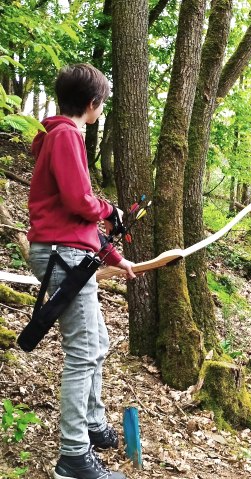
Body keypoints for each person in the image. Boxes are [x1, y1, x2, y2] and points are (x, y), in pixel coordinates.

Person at [27, 63, 135, 479]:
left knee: (97, 343)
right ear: (92, 104)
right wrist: (111, 209)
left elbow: (77, 220)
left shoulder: (56, 136)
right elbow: (79, 202)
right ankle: (73, 456)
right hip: (63, 255)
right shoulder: (67, 135)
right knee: (82, 354)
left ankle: (90, 422)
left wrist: (116, 258)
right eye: (101, 104)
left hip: (67, 251)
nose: (100, 110)